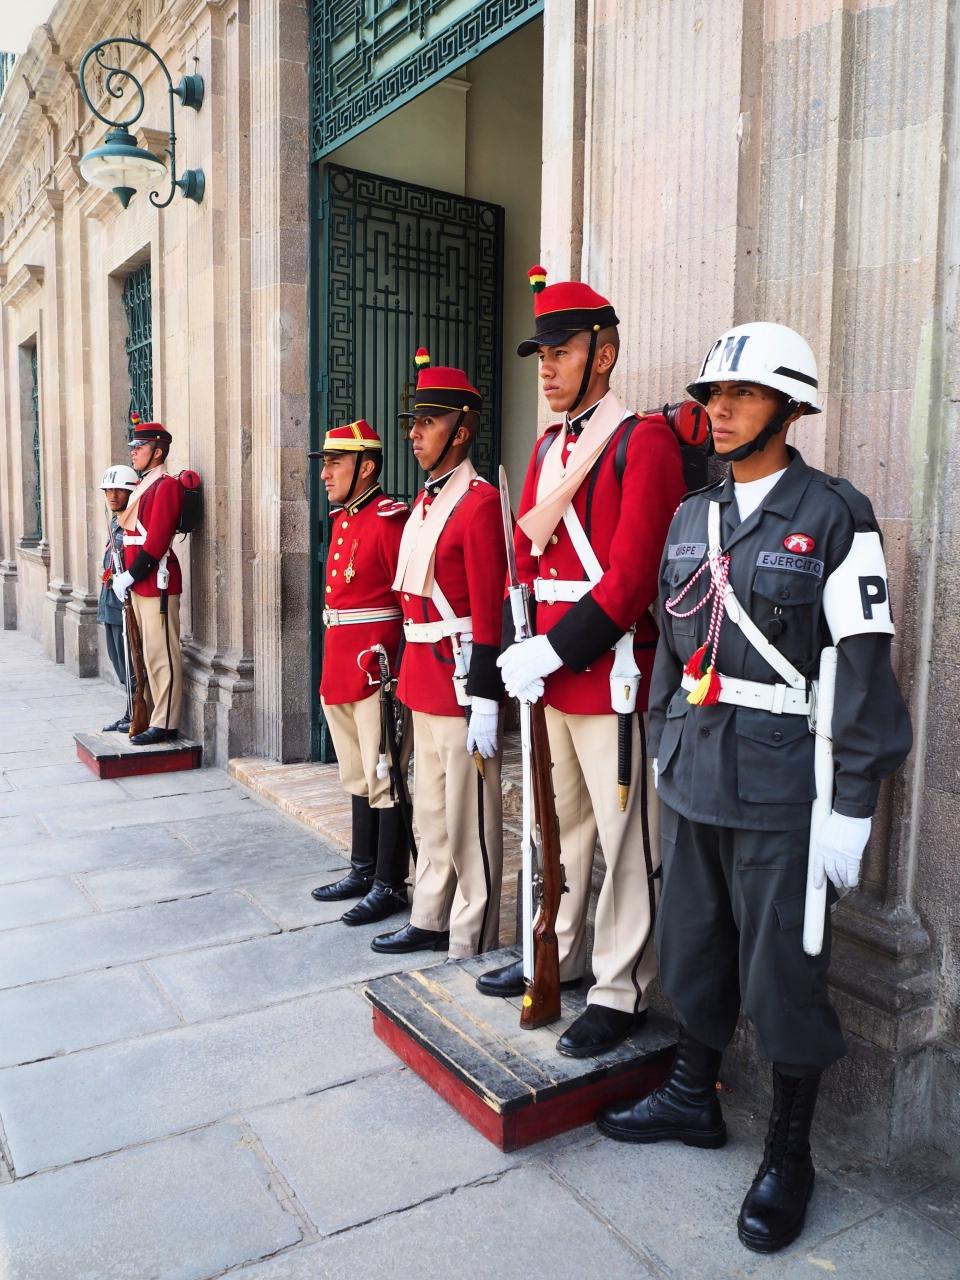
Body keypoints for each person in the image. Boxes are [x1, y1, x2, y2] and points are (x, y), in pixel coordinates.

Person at [595, 322, 913, 1254]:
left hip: (783, 787)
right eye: (711, 396)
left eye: (741, 394)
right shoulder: (692, 516)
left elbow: (864, 669)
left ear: (790, 407)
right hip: (696, 769)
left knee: (784, 972)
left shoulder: (835, 515)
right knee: (693, 946)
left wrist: (852, 807)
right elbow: (673, 641)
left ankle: (788, 1151)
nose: (719, 410)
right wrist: (663, 739)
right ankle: (692, 1094)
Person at [476, 266, 686, 1058]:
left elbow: (631, 581)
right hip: (550, 674)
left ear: (604, 353)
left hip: (612, 675)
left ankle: (619, 988)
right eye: (542, 355)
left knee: (626, 841)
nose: (548, 367)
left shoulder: (643, 443)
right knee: (554, 827)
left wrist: (552, 648)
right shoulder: (545, 448)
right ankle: (555, 955)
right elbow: (524, 558)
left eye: (561, 351)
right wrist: (518, 644)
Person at [371, 350, 507, 959]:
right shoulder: (426, 501)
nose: (414, 434)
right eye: (415, 422)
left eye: (427, 422)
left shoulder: (478, 503)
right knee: (429, 811)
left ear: (461, 430)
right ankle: (429, 915)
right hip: (422, 678)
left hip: (459, 680)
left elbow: (490, 610)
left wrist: (486, 697)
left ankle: (471, 932)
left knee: (468, 820)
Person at [307, 418, 413, 925]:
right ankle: (363, 868)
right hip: (342, 663)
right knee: (356, 771)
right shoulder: (344, 518)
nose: (325, 473)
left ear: (366, 467)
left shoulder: (390, 520)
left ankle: (390, 883)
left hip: (376, 669)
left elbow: (408, 603)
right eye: (325, 463)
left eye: (335, 463)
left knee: (384, 773)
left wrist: (401, 671)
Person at [111, 423, 185, 746]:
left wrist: (131, 574)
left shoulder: (166, 486)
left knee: (161, 654)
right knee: (144, 654)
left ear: (157, 451)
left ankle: (166, 722)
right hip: (141, 583)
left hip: (157, 582)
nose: (133, 452)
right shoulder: (145, 485)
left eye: (139, 447)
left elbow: (156, 543)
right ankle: (151, 713)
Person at [98, 464, 140, 732]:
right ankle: (129, 710)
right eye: (108, 491)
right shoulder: (116, 521)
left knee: (130, 663)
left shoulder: (131, 524)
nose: (112, 496)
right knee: (117, 661)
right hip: (110, 602)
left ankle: (135, 713)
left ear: (130, 492)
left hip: (124, 605)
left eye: (119, 491)